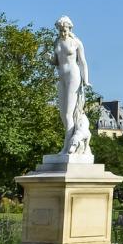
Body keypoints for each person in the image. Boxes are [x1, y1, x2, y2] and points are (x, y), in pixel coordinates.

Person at [50, 15, 90, 154]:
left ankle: (66, 148)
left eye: (64, 29)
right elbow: (56, 61)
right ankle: (69, 143)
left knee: (68, 113)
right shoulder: (56, 42)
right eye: (60, 30)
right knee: (63, 114)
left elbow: (83, 62)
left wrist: (86, 80)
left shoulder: (76, 42)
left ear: (70, 28)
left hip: (73, 75)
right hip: (61, 77)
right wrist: (50, 59)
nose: (62, 32)